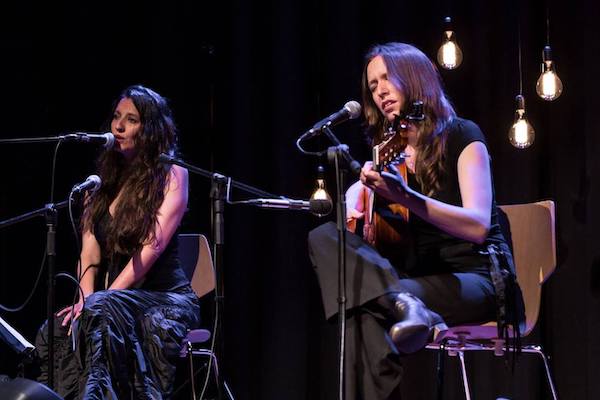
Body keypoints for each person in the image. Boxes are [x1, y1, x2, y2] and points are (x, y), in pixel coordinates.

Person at [308, 43, 524, 399]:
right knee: (322, 236)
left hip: (480, 278)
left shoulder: (463, 135)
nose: (378, 90)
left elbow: (477, 226)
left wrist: (406, 197)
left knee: (359, 310)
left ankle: (402, 303)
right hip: (417, 283)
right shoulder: (391, 155)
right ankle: (404, 305)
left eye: (385, 78)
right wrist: (354, 195)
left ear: (413, 77)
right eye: (372, 85)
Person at [35, 85, 200, 399]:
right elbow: (89, 250)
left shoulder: (172, 175)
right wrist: (85, 300)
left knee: (102, 310)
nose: (119, 126)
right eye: (116, 117)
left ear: (150, 129)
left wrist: (102, 300)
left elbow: (151, 249)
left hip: (165, 299)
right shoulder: (100, 183)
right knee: (55, 330)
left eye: (132, 120)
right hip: (113, 301)